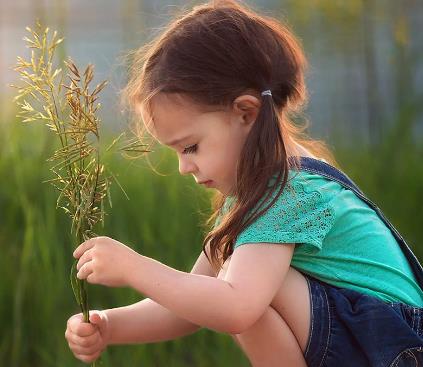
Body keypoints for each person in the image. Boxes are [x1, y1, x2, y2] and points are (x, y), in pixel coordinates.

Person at [64, 1, 423, 366]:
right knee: (229, 281)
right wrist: (110, 325)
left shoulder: (289, 194)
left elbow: (233, 307)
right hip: (371, 344)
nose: (183, 167)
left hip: (393, 348)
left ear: (246, 113)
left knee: (239, 288)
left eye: (191, 146)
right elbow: (189, 307)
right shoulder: (261, 196)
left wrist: (135, 267)